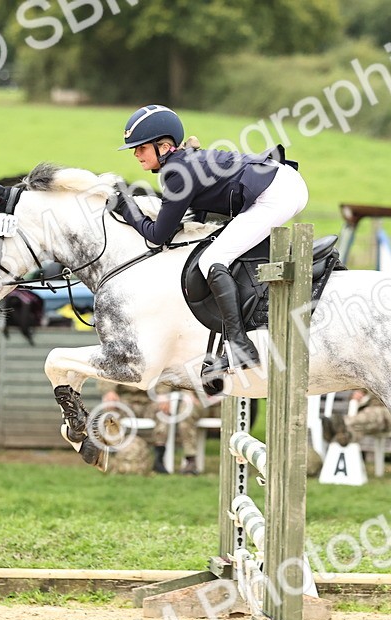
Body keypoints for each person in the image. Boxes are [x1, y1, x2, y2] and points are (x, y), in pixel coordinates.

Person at [112, 104, 309, 376]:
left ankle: (240, 346)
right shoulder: (181, 164)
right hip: (280, 182)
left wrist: (126, 208)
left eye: (141, 148)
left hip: (276, 193)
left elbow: (158, 236)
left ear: (164, 147)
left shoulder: (176, 173)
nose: (136, 154)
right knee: (219, 249)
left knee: (212, 259)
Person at [98, 380, 204, 475]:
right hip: (125, 400)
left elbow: (163, 375)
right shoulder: (120, 359)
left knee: (163, 412)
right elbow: (107, 374)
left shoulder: (155, 359)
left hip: (149, 401)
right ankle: (113, 458)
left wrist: (163, 394)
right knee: (110, 413)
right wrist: (109, 391)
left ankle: (159, 458)